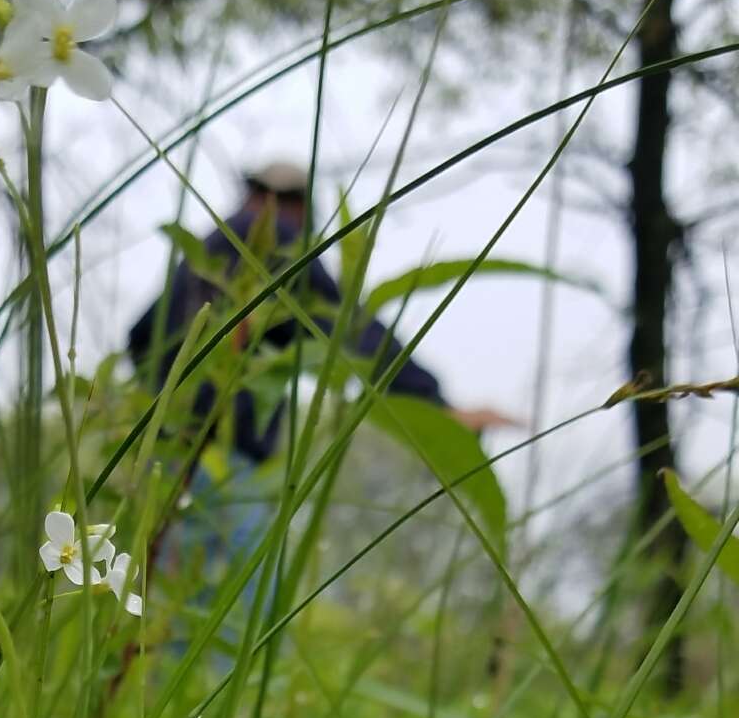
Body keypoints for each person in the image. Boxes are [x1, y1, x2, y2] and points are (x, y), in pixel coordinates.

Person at [127, 161, 515, 596]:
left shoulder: (204, 253)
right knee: (241, 602)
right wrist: (437, 404)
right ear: (294, 206)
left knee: (159, 597)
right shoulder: (282, 244)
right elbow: (352, 332)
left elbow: (140, 336)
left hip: (163, 451)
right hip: (226, 457)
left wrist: (153, 405)